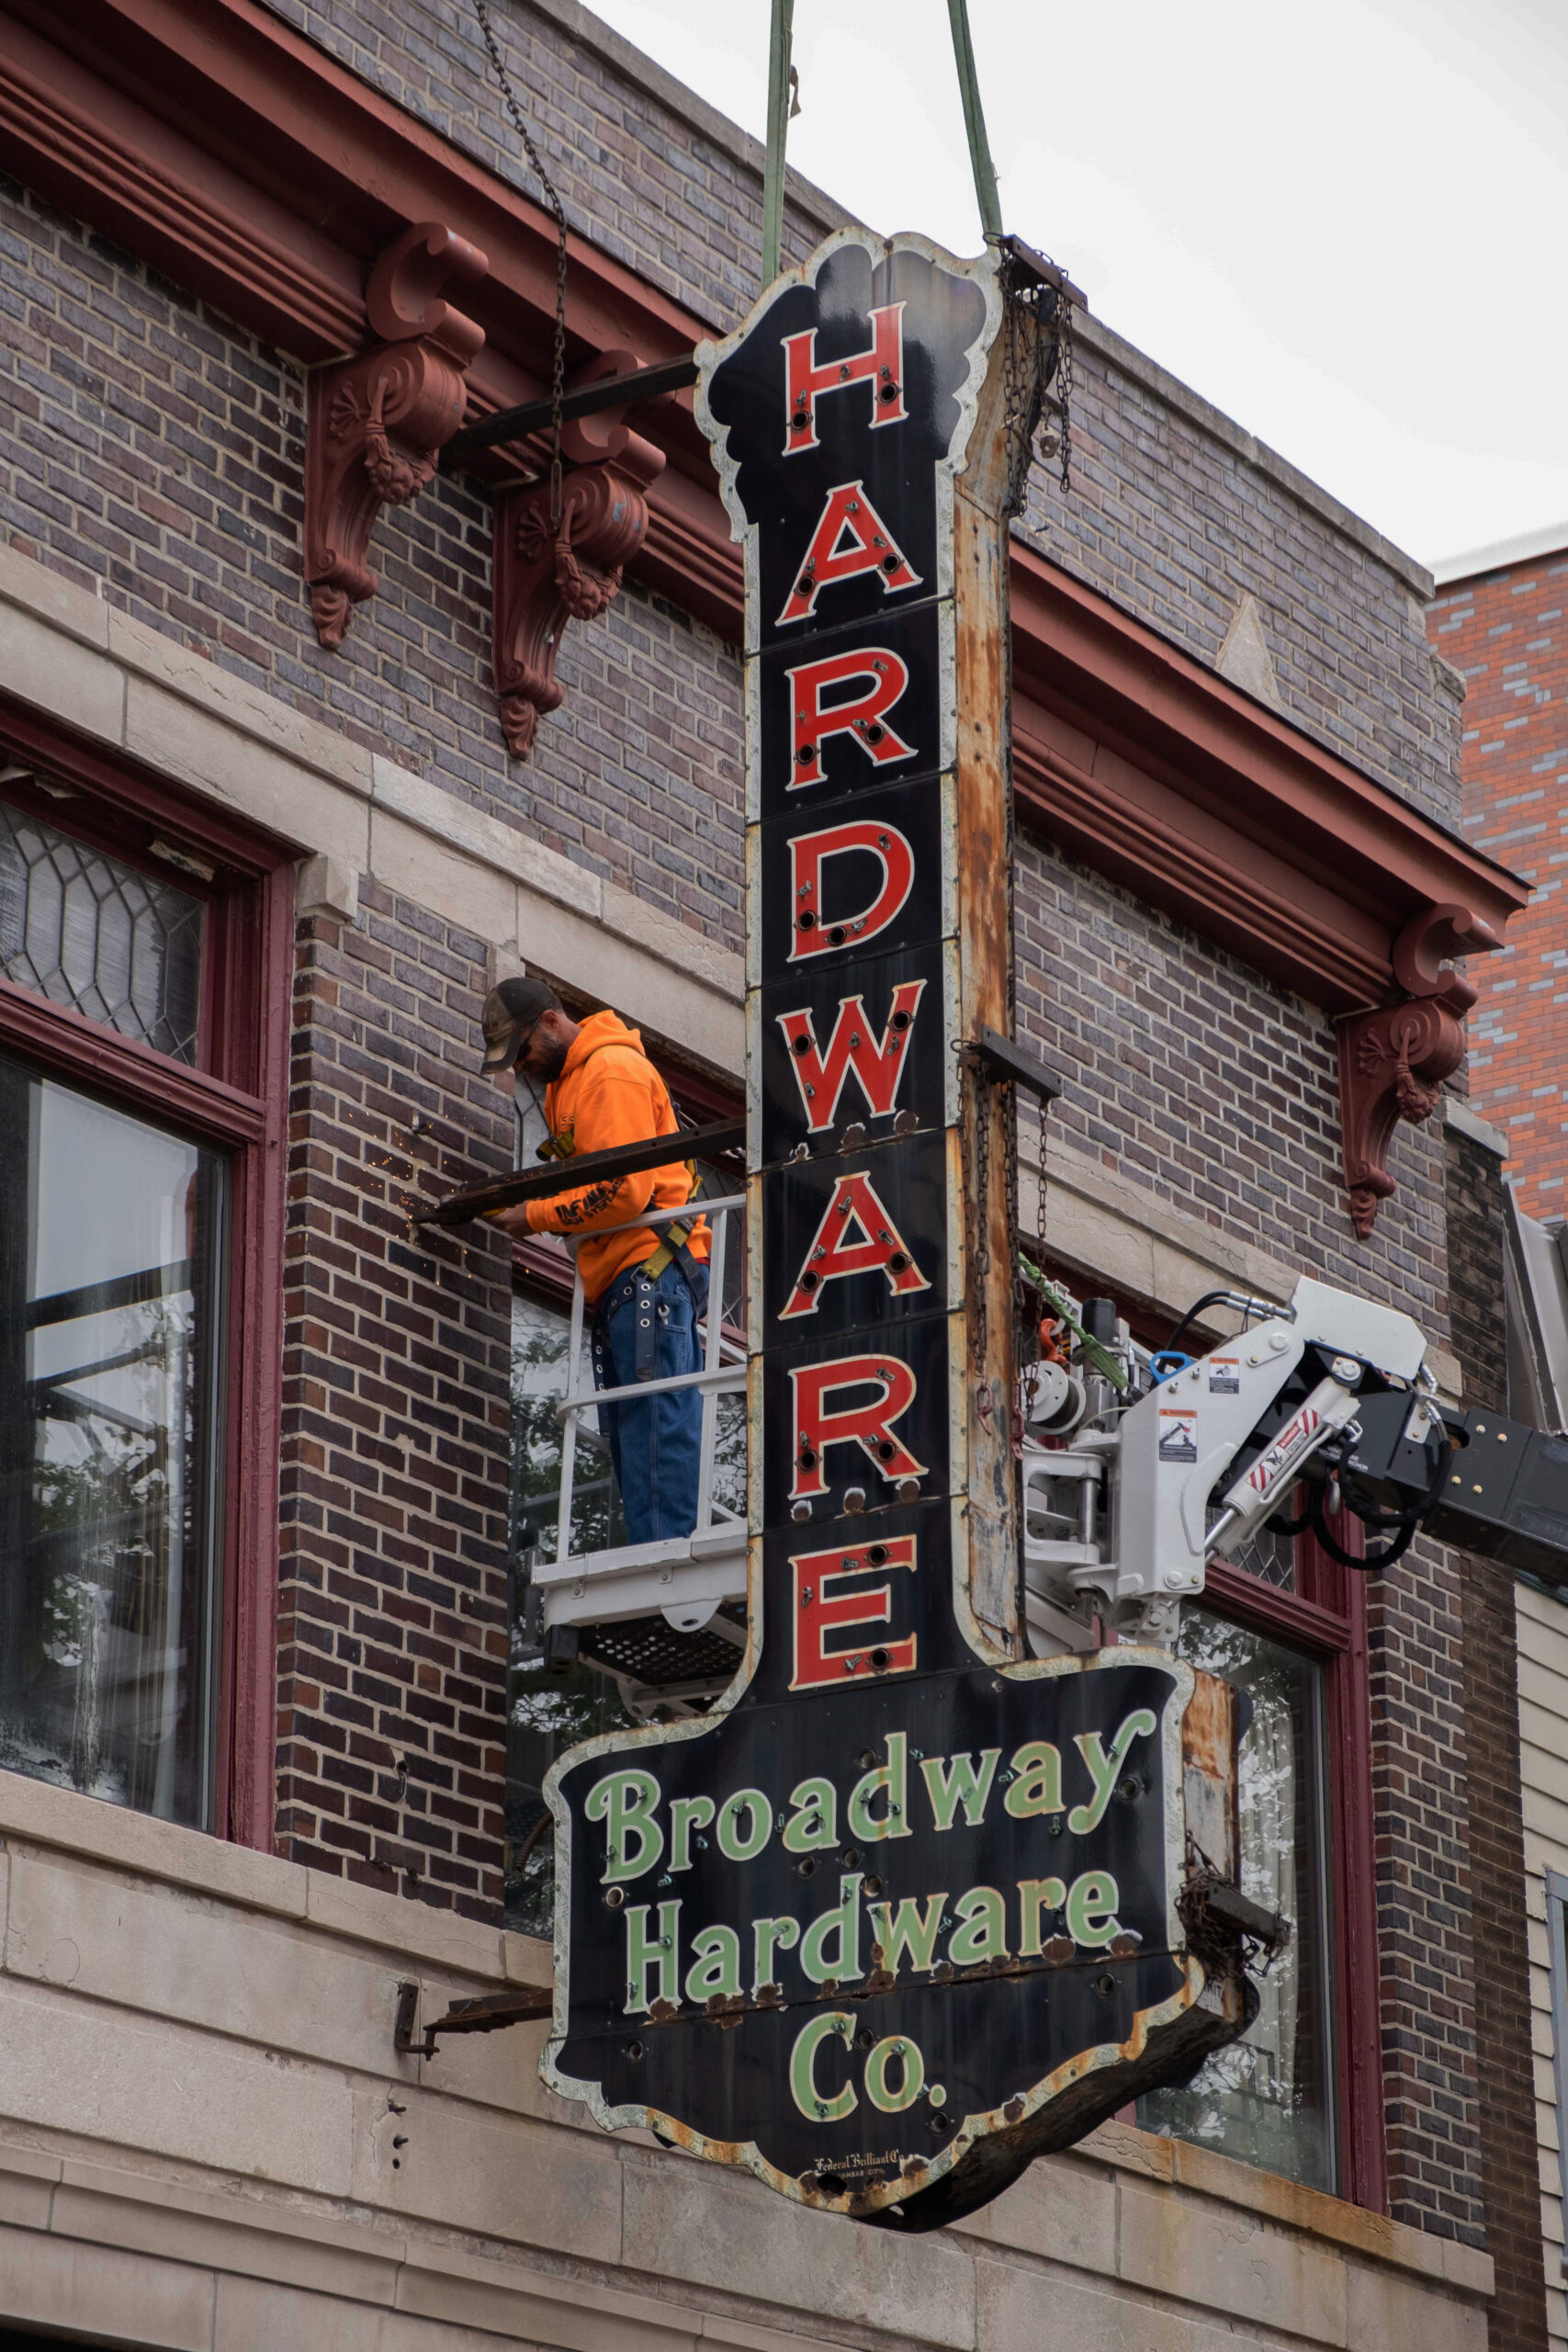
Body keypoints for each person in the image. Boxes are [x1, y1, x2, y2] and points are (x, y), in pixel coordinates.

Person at [479, 977, 710, 1546]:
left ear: (553, 1022)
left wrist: (532, 1216)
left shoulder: (607, 1071)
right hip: (627, 1282)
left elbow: (625, 1192)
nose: (525, 1066)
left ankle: (667, 1558)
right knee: (637, 1428)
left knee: (655, 1419)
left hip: (649, 1271)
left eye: (525, 1050)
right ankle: (656, 1550)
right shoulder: (570, 1082)